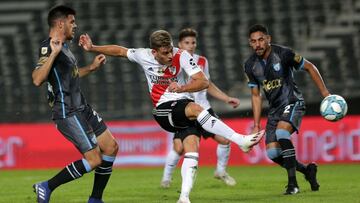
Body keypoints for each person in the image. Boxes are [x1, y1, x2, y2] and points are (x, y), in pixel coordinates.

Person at [79, 30, 264, 203]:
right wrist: (93, 47)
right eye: (165, 53)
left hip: (182, 106)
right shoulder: (144, 55)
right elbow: (120, 51)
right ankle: (240, 140)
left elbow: (203, 81)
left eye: (170, 51)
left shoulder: (181, 55)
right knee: (196, 109)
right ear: (154, 52)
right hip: (163, 110)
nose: (169, 56)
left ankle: (184, 197)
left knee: (191, 149)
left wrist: (182, 87)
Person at [32, 5, 118, 203]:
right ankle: (46, 186)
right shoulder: (49, 46)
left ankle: (95, 199)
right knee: (95, 159)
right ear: (60, 23)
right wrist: (53, 53)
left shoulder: (66, 48)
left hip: (81, 106)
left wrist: (92, 67)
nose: (75, 25)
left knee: (111, 147)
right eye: (72, 21)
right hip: (67, 111)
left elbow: (73, 75)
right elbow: (37, 79)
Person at [244, 24, 328, 195]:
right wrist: (256, 124)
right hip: (275, 110)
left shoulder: (284, 54)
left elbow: (310, 67)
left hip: (292, 101)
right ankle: (307, 171)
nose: (258, 44)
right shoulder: (250, 65)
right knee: (273, 153)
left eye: (261, 39)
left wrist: (325, 93)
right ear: (250, 43)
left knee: (282, 134)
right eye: (253, 41)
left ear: (268, 39)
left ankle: (293, 185)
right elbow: (255, 95)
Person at [160, 28, 240, 188]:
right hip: (184, 109)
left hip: (203, 108)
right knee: (179, 147)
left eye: (193, 42)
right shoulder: (173, 62)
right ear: (179, 44)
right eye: (186, 43)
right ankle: (166, 178)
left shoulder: (202, 61)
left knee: (224, 140)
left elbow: (207, 84)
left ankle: (220, 171)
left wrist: (226, 98)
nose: (190, 46)